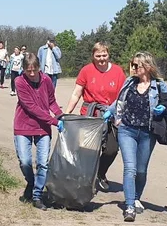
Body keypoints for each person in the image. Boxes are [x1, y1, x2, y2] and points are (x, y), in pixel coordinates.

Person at [106, 52, 167, 222]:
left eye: (136, 65)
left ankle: (136, 197)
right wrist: (108, 112)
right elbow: (118, 101)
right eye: (132, 65)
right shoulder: (129, 82)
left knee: (141, 170)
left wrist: (163, 107)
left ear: (147, 66)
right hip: (127, 130)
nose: (133, 68)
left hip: (148, 133)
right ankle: (129, 206)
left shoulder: (159, 86)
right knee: (130, 168)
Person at [64, 42, 127, 192]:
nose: (101, 58)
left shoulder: (118, 72)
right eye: (98, 55)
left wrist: (119, 116)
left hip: (110, 115)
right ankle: (84, 180)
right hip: (90, 115)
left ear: (108, 54)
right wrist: (66, 113)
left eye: (104, 55)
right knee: (87, 149)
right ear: (93, 56)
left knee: (111, 149)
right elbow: (76, 93)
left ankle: (100, 172)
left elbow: (123, 97)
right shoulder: (86, 70)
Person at [14, 52, 63, 210]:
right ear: (24, 70)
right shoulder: (19, 82)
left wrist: (60, 115)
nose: (32, 74)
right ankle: (31, 181)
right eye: (29, 71)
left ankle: (37, 196)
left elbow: (51, 101)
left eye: (35, 70)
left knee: (43, 163)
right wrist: (54, 121)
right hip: (23, 126)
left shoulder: (46, 79)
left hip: (42, 128)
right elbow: (32, 108)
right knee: (25, 161)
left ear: (39, 68)